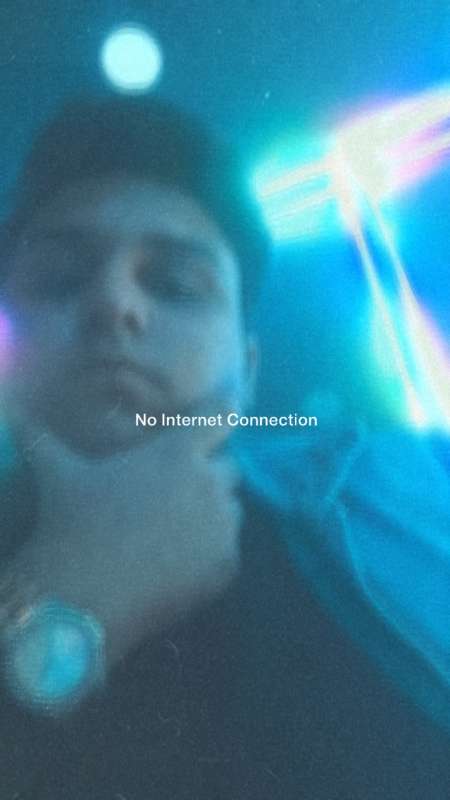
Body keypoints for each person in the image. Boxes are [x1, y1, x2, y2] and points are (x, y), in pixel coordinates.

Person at [0, 96, 449, 800]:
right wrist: (79, 596)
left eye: (176, 285)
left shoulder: (406, 487)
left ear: (247, 369)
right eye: (60, 278)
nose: (115, 302)